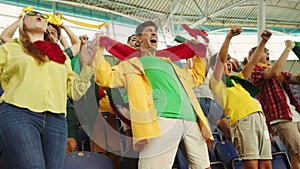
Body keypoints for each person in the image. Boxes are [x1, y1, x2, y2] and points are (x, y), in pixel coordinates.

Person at [93, 20, 213, 169]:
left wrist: (200, 53)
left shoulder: (169, 62)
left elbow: (197, 76)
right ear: (138, 38)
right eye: (149, 30)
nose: (154, 33)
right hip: (161, 120)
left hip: (190, 120)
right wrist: (98, 49)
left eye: (155, 31)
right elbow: (105, 78)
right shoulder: (131, 63)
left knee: (204, 167)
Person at [0, 9, 95, 169]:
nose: (40, 16)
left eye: (44, 16)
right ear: (22, 24)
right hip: (18, 114)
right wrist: (20, 19)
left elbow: (74, 91)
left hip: (57, 121)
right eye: (32, 14)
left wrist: (87, 67)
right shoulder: (11, 48)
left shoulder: (61, 56)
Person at [209, 25, 273, 169]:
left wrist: (263, 42)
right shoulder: (216, 82)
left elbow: (252, 62)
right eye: (225, 63)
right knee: (251, 164)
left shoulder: (239, 78)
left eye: (229, 62)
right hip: (242, 121)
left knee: (267, 164)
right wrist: (229, 37)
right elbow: (220, 59)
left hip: (259, 118)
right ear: (214, 68)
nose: (228, 64)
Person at [250, 38, 300, 168]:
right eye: (263, 51)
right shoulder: (254, 71)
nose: (267, 52)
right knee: (297, 154)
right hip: (280, 117)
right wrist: (287, 48)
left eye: (267, 51)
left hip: (293, 113)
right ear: (253, 56)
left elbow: (295, 79)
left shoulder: (272, 69)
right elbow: (275, 72)